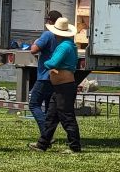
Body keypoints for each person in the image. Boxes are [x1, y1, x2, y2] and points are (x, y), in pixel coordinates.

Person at [29, 17, 82, 153]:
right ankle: (42, 144)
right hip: (60, 87)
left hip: (63, 87)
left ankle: (75, 147)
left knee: (67, 117)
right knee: (51, 117)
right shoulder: (69, 45)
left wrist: (46, 63)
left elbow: (52, 63)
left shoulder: (64, 47)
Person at [26, 10, 63, 133]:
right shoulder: (64, 37)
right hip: (57, 76)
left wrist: (35, 42)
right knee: (49, 108)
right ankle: (48, 136)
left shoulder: (47, 35)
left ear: (50, 21)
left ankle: (46, 133)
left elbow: (34, 50)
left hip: (44, 76)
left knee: (34, 104)